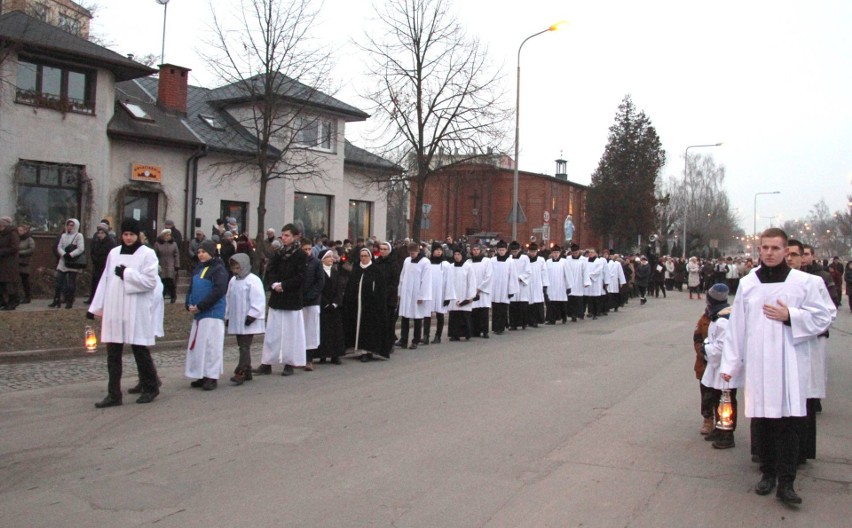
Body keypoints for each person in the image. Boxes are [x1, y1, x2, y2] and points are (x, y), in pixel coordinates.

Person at [720, 228, 833, 505]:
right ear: (759, 250)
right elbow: (737, 328)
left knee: (789, 424)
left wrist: (791, 316)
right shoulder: (748, 284)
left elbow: (825, 315)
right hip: (760, 364)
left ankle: (787, 481)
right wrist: (731, 364)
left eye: (775, 248)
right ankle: (767, 473)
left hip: (791, 362)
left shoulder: (804, 282)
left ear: (786, 251)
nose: (769, 253)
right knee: (763, 422)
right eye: (765, 248)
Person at [87, 218, 162, 407]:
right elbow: (105, 280)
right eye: (125, 234)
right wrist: (97, 307)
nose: (128, 238)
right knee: (113, 353)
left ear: (138, 235)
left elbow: (150, 282)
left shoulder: (148, 254)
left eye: (132, 235)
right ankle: (114, 394)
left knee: (139, 349)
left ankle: (151, 386)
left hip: (136, 307)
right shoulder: (113, 253)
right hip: (115, 307)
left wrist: (128, 274)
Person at [256, 224, 307, 376]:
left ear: (295, 236)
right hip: (277, 297)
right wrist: (274, 283)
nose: (284, 238)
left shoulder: (300, 255)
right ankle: (267, 362)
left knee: (291, 333)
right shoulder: (279, 253)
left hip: (292, 297)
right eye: (283, 235)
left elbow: (301, 276)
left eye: (287, 235)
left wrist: (284, 285)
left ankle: (289, 362)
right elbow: (271, 270)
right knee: (273, 332)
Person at [185, 239, 228, 391]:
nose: (201, 255)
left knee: (211, 346)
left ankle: (212, 376)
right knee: (200, 346)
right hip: (199, 314)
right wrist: (189, 303)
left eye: (204, 252)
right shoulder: (198, 269)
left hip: (212, 313)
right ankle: (201, 373)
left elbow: (218, 290)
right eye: (199, 252)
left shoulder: (218, 269)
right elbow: (192, 288)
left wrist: (202, 306)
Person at [700, 283, 738, 449]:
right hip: (718, 367)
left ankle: (727, 433)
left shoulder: (722, 320)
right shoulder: (719, 315)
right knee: (717, 397)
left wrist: (705, 347)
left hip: (724, 367)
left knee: (726, 400)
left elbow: (720, 348)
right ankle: (720, 428)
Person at [225, 253, 266, 385]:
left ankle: (240, 371)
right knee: (241, 345)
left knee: (244, 346)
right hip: (237, 318)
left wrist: (252, 315)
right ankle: (247, 370)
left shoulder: (253, 280)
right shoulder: (233, 281)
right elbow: (228, 299)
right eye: (234, 269)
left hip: (249, 319)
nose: (236, 271)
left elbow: (258, 299)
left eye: (238, 268)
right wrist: (227, 316)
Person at [344, 247, 388, 361]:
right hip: (356, 305)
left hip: (370, 306)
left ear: (370, 257)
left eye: (366, 256)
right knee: (356, 326)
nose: (363, 258)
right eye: (362, 256)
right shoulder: (356, 270)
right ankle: (357, 349)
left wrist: (378, 302)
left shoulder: (376, 270)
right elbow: (350, 287)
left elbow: (381, 289)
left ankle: (367, 351)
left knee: (368, 328)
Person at [396, 242, 431, 349]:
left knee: (417, 317)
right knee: (405, 316)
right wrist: (400, 291)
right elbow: (403, 275)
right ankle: (404, 339)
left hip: (417, 293)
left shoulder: (425, 262)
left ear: (418, 251)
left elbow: (426, 280)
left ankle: (415, 340)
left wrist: (422, 295)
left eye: (413, 253)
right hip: (406, 292)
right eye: (410, 253)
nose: (412, 255)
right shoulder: (407, 260)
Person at [317, 249, 346, 365]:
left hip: (334, 307)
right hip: (323, 307)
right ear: (322, 259)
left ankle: (335, 355)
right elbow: (319, 289)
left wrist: (335, 303)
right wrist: (325, 303)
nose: (331, 259)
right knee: (323, 331)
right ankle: (322, 355)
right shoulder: (319, 273)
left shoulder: (336, 272)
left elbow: (340, 289)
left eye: (332, 257)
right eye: (329, 257)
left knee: (336, 331)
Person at [301, 238, 325, 371]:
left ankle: (309, 359)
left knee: (310, 330)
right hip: (299, 302)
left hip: (312, 302)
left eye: (309, 249)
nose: (307, 252)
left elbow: (320, 282)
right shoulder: (298, 263)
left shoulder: (316, 263)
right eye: (305, 249)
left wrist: (310, 296)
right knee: (299, 331)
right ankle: (298, 357)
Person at [424, 242, 454, 345]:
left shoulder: (445, 265)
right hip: (429, 292)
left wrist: (448, 296)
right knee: (427, 314)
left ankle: (438, 336)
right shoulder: (427, 263)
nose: (438, 252)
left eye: (440, 250)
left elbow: (449, 281)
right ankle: (425, 336)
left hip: (440, 293)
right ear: (433, 251)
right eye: (436, 250)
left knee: (439, 314)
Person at [52, 218, 85, 309]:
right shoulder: (63, 236)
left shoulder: (79, 236)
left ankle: (69, 301)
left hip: (73, 262)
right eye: (68, 225)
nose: (70, 227)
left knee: (71, 283)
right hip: (63, 261)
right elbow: (59, 247)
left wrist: (71, 254)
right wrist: (64, 254)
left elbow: (81, 248)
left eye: (72, 225)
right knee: (58, 282)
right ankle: (56, 299)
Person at [447, 247, 476, 341]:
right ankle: (454, 334)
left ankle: (466, 333)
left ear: (462, 255)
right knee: (454, 315)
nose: (456, 256)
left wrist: (470, 296)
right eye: (455, 254)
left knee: (464, 314)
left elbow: (472, 281)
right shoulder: (450, 267)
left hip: (464, 293)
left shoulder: (468, 266)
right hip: (453, 294)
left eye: (458, 254)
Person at [490, 241, 518, 335]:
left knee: (502, 308)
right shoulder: (493, 260)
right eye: (500, 250)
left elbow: (513, 276)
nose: (501, 252)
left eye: (503, 250)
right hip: (495, 287)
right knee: (495, 308)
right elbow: (490, 274)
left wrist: (511, 290)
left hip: (505, 288)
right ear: (497, 250)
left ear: (506, 250)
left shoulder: (510, 261)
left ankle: (501, 327)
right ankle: (495, 327)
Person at [86, 222, 116, 304]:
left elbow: (110, 254)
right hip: (97, 264)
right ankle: (93, 298)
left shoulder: (110, 242)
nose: (100, 235)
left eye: (102, 233)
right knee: (95, 282)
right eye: (99, 233)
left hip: (105, 265)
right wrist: (94, 259)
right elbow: (92, 251)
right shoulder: (96, 241)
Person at [468, 243, 493, 338]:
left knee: (483, 311)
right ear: (471, 251)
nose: (475, 251)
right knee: (474, 311)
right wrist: (472, 289)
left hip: (483, 291)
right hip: (472, 290)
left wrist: (480, 288)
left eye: (477, 249)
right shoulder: (468, 262)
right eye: (473, 249)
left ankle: (485, 331)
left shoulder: (486, 261)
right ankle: (475, 331)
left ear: (480, 250)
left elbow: (488, 275)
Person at [508, 241, 531, 330]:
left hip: (521, 284)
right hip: (512, 285)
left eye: (516, 251)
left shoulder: (525, 258)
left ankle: (523, 323)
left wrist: (520, 278)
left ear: (519, 250)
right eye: (513, 251)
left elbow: (528, 271)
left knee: (522, 304)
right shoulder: (509, 258)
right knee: (513, 305)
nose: (514, 253)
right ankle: (513, 324)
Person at [0, 216, 20, 310]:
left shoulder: (12, 233)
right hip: (2, 263)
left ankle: (13, 301)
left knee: (9, 283)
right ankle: (3, 301)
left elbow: (14, 248)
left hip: (9, 263)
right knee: (2, 283)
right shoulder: (2, 234)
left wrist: (2, 251)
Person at [525, 243, 548, 327]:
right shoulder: (525, 260)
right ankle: (528, 320)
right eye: (531, 251)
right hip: (528, 283)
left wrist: (545, 284)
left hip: (538, 283)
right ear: (529, 251)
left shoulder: (541, 260)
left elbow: (544, 272)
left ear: (536, 251)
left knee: (537, 302)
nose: (532, 253)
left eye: (534, 251)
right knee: (529, 302)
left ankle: (536, 320)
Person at [155, 228, 180, 303]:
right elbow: (155, 255)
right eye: (167, 235)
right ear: (163, 236)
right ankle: (161, 296)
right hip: (161, 265)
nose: (168, 236)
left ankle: (173, 296)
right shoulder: (157, 244)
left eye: (169, 235)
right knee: (162, 282)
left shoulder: (173, 244)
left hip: (170, 265)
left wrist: (177, 265)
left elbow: (176, 255)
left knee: (171, 282)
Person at [565, 243, 588, 321]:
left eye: (576, 253)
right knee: (571, 299)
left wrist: (586, 282)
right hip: (570, 280)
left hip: (579, 281)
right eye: (573, 253)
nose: (575, 254)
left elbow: (585, 271)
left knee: (578, 299)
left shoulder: (583, 260)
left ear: (579, 252)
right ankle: (572, 314)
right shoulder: (568, 259)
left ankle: (579, 313)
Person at [16, 223, 35, 304]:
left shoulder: (29, 239)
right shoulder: (17, 238)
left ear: (25, 230)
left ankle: (27, 296)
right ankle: (18, 296)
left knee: (25, 280)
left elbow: (31, 249)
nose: (19, 232)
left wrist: (20, 252)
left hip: (25, 262)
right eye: (18, 230)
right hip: (16, 261)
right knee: (17, 280)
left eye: (20, 230)